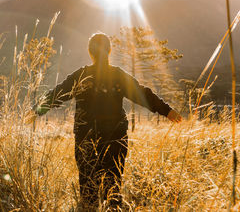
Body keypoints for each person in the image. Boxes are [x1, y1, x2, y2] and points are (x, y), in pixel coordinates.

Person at [26, 33, 182, 210]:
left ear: (89, 52)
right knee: (113, 187)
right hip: (115, 138)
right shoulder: (117, 75)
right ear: (109, 50)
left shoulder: (81, 75)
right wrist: (167, 111)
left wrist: (36, 110)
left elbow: (58, 94)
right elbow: (142, 94)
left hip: (86, 137)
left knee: (88, 189)